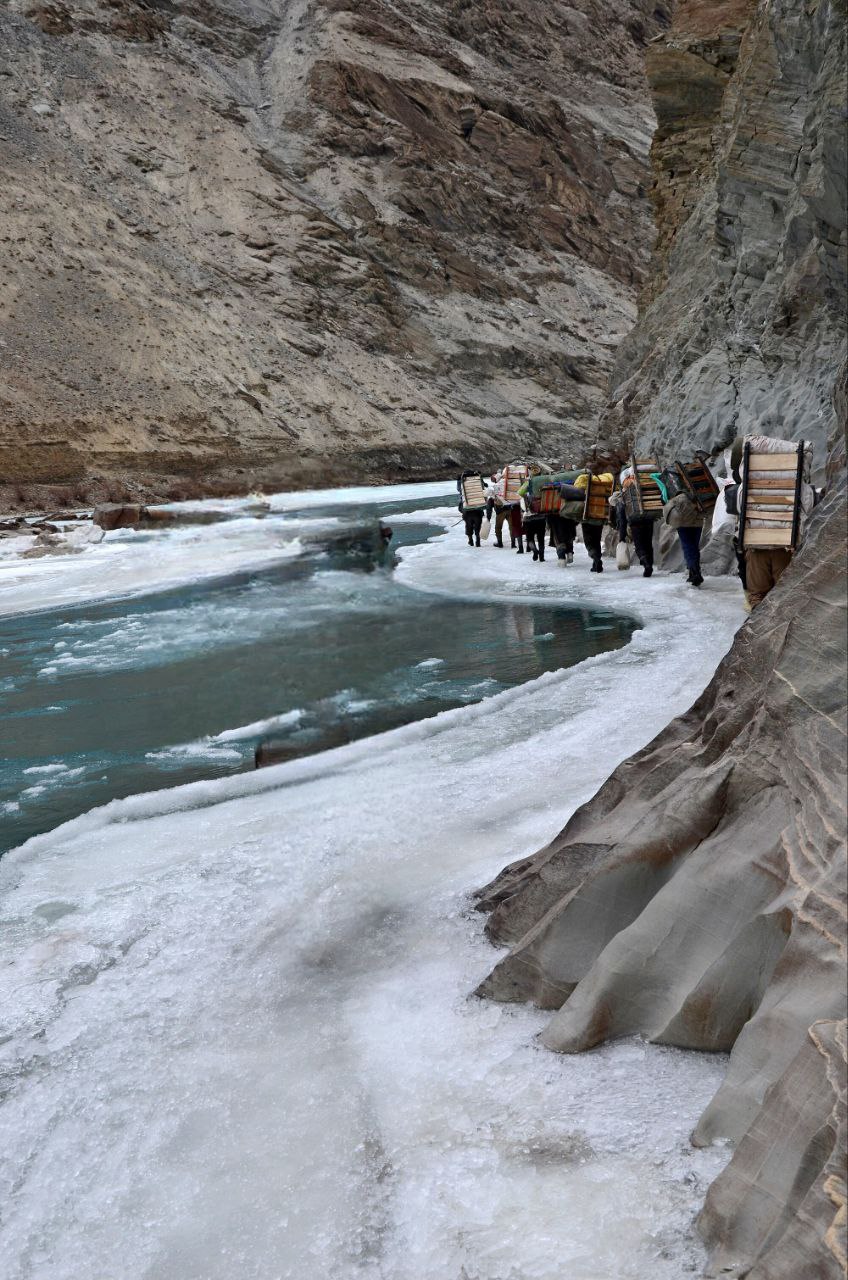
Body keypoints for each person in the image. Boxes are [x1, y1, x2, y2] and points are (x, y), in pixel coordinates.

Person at [662, 490, 706, 586]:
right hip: (697, 523)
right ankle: (694, 572)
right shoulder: (697, 492)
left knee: (688, 547)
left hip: (683, 525)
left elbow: (665, 503)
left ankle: (694, 572)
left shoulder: (677, 496)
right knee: (694, 547)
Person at [574, 469, 614, 573]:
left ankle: (596, 558)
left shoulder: (586, 484)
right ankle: (596, 563)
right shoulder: (605, 486)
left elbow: (576, 490)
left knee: (589, 543)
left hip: (588, 517)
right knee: (596, 540)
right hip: (600, 517)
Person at [457, 470, 486, 547]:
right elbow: (483, 486)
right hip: (478, 510)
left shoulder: (463, 484)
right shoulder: (477, 482)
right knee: (478, 526)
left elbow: (459, 489)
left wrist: (458, 480)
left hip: (467, 512)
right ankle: (478, 541)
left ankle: (470, 540)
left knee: (468, 526)